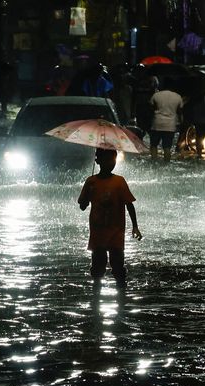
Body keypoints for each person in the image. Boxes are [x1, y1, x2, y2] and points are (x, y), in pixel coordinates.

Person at [77, 148, 142, 287]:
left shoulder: (119, 181)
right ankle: (97, 297)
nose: (110, 163)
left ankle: (120, 296)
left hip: (116, 232)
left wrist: (135, 226)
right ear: (97, 161)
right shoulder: (91, 182)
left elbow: (129, 205)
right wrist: (85, 200)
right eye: (107, 160)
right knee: (97, 269)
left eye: (113, 160)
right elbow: (82, 205)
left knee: (118, 268)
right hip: (98, 232)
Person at [149, 77, 184, 163]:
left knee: (154, 145)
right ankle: (166, 164)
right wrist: (181, 122)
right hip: (170, 125)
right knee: (167, 147)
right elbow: (180, 111)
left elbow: (151, 108)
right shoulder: (178, 96)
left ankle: (153, 162)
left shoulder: (156, 95)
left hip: (157, 124)